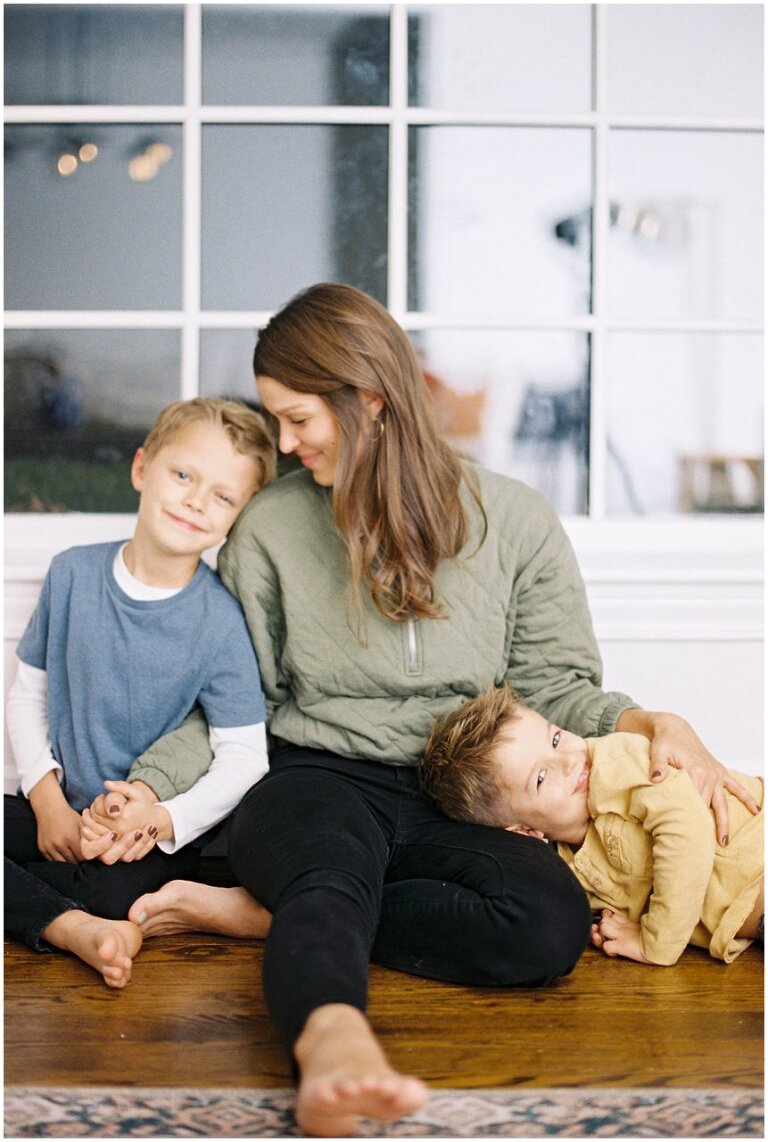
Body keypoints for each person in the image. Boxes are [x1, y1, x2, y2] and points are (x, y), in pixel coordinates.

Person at [103, 283, 757, 1137]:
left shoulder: (513, 521)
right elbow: (237, 704)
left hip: (464, 792)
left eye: (299, 419)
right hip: (317, 776)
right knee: (331, 876)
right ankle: (332, 1044)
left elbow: (555, 686)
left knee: (547, 925)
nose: (286, 445)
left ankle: (271, 913)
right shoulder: (267, 529)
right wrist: (155, 786)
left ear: (368, 398)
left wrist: (654, 724)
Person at [4, 398, 276, 988]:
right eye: (183, 475)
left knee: (115, 893)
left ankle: (72, 920)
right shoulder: (72, 574)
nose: (197, 500)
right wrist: (47, 800)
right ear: (141, 470)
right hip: (58, 806)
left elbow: (244, 756)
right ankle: (68, 926)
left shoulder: (221, 623)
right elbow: (28, 694)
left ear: (238, 516)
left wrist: (161, 818)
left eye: (223, 496)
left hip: (140, 842)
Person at [420, 684, 763, 966]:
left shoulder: (616, 762)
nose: (568, 760)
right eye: (541, 777)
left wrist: (654, 942)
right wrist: (619, 926)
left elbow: (687, 833)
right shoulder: (569, 868)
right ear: (524, 831)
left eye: (554, 739)